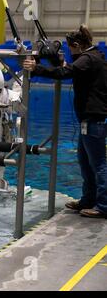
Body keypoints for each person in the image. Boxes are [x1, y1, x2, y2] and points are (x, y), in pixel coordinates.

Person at [23, 24, 107, 218]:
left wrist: (36, 68)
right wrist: (59, 62)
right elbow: (69, 68)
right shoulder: (94, 57)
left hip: (93, 120)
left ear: (77, 45)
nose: (69, 52)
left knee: (99, 164)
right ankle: (88, 199)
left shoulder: (88, 59)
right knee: (85, 162)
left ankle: (103, 205)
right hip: (88, 120)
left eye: (70, 48)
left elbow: (63, 73)